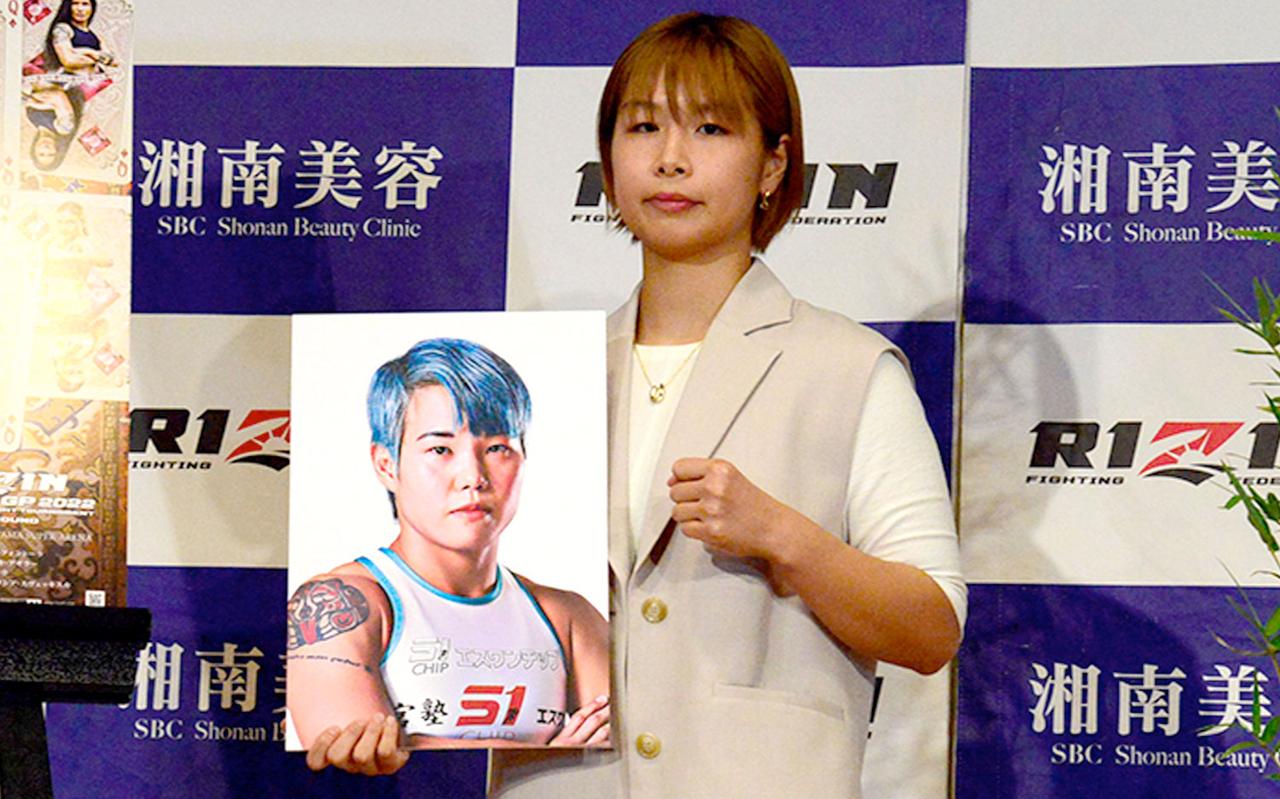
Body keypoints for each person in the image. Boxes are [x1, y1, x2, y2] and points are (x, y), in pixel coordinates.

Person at [314, 13, 966, 796]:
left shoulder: (849, 368)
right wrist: (396, 712)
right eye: (644, 126)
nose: (670, 158)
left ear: (772, 163)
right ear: (609, 158)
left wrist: (782, 534)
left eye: (711, 128)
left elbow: (930, 627)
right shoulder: (535, 381)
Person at [290, 338, 610, 765]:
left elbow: (623, 762)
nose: (473, 477)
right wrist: (553, 756)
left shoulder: (568, 618)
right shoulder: (337, 604)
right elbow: (352, 759)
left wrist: (418, 742)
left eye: (497, 448)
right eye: (440, 449)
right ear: (386, 464)